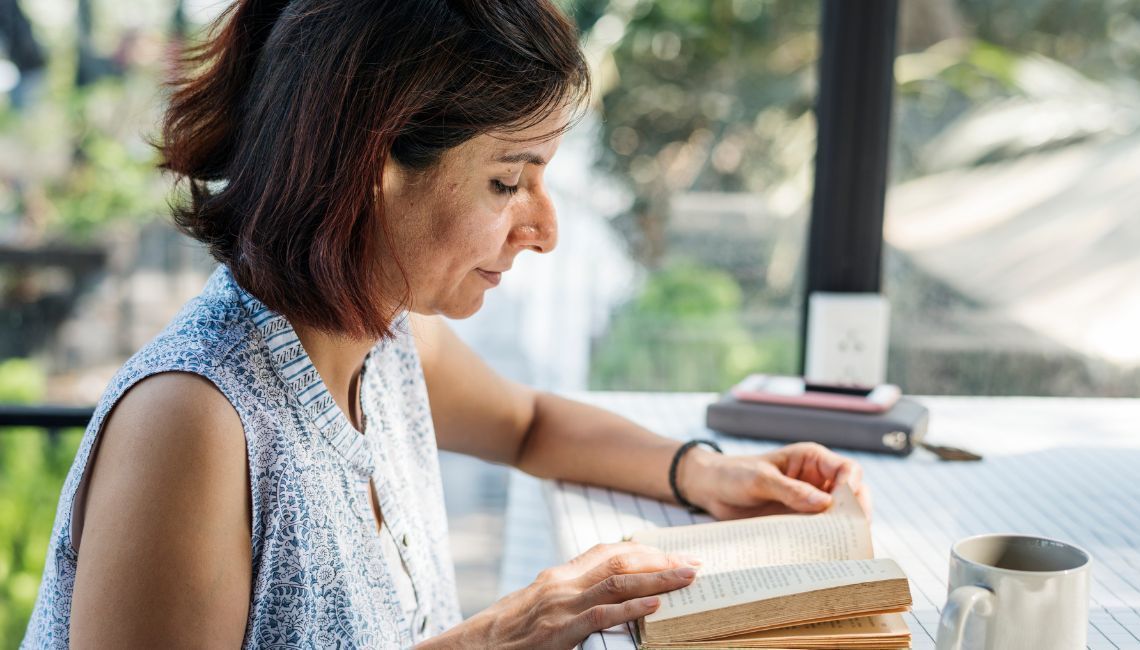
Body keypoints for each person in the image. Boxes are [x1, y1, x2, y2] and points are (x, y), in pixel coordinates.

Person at [21, 1, 870, 648]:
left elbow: (530, 423)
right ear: (371, 168)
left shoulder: (384, 336)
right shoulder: (194, 421)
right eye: (508, 182)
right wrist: (497, 634)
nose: (544, 229)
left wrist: (707, 474)